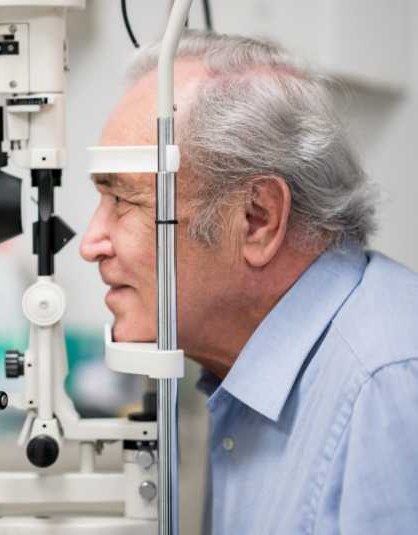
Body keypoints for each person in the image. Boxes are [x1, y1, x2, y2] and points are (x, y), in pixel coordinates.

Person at [80, 31, 418, 533]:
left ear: (257, 218)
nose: (90, 243)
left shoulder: (389, 389)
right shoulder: (241, 378)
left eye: (123, 200)